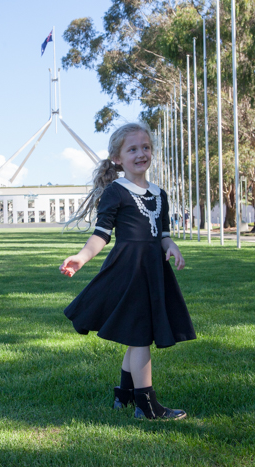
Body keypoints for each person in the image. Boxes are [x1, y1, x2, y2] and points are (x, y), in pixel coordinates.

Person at [60, 122, 196, 420]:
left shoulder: (159, 194)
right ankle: (147, 407)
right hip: (129, 271)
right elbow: (101, 234)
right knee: (140, 337)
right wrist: (82, 257)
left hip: (154, 271)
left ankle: (123, 394)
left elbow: (162, 234)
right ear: (118, 158)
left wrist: (171, 247)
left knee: (138, 334)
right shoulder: (116, 192)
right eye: (132, 149)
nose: (141, 153)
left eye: (145, 147)